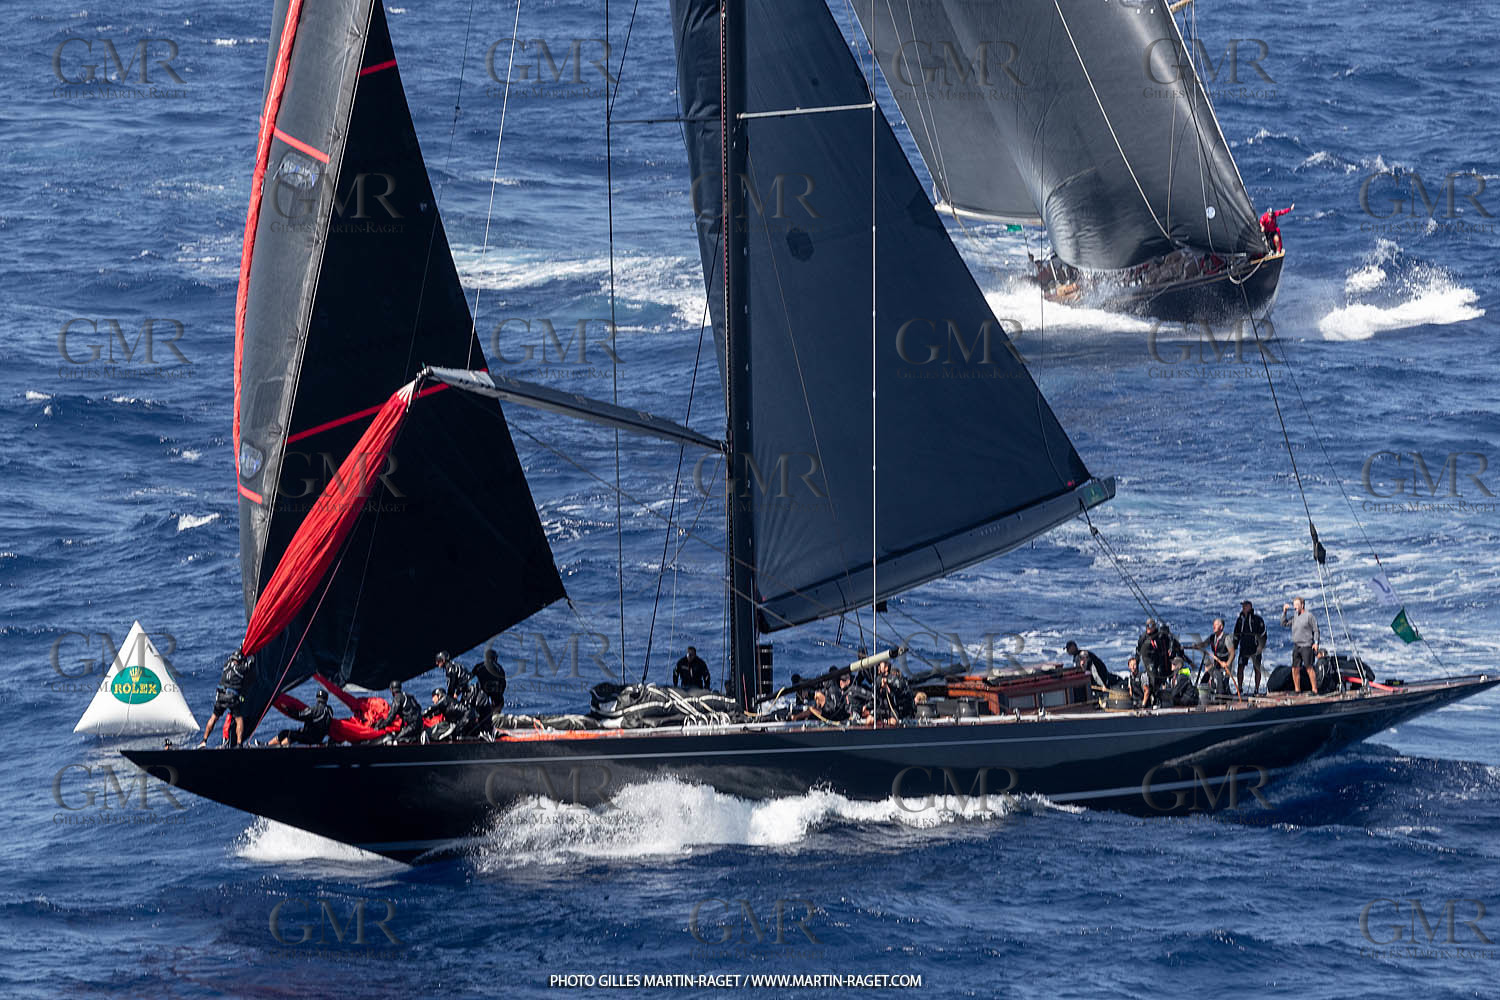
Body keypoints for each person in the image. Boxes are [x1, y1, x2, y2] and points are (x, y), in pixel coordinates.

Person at [199, 651, 254, 748]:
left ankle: (204, 741)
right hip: (231, 697)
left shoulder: (226, 665)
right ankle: (239, 743)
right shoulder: (241, 669)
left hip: (220, 695)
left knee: (214, 717)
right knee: (239, 719)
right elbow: (252, 661)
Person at [1281, 597, 1320, 694]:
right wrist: (1284, 612)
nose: (1295, 607)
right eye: (1294, 605)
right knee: (1295, 668)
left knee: (1309, 668)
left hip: (1306, 645)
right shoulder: (1295, 616)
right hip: (1297, 646)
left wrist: (1316, 643)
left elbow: (1316, 630)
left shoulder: (1309, 616)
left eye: (1296, 605)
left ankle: (1314, 690)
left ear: (1302, 605)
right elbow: (1284, 623)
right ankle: (1297, 690)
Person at [1233, 600, 1268, 696]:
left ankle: (1256, 689)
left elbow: (1263, 633)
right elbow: (1236, 634)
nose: (1243, 608)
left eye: (1245, 606)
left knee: (1257, 668)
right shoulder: (1240, 619)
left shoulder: (1257, 619)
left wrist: (1261, 646)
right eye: (1242, 606)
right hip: (1244, 647)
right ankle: (1239, 689)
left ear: (1250, 607)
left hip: (1255, 647)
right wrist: (1234, 646)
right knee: (1240, 667)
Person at [1199, 619, 1235, 694]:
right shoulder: (1212, 637)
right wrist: (1196, 646)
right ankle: (1202, 691)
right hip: (1216, 663)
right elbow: (1204, 644)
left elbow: (1232, 653)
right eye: (1213, 624)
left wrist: (1227, 664)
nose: (1213, 626)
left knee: (1223, 683)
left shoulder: (1226, 638)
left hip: (1226, 664)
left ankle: (1224, 693)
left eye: (1216, 625)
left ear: (1221, 627)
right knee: (1207, 674)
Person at [471, 648, 507, 712]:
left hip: (482, 690)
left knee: (479, 702)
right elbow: (503, 684)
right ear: (495, 658)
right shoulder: (500, 668)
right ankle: (496, 716)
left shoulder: (478, 666)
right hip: (495, 690)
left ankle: (477, 715)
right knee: (499, 702)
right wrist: (500, 695)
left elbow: (471, 679)